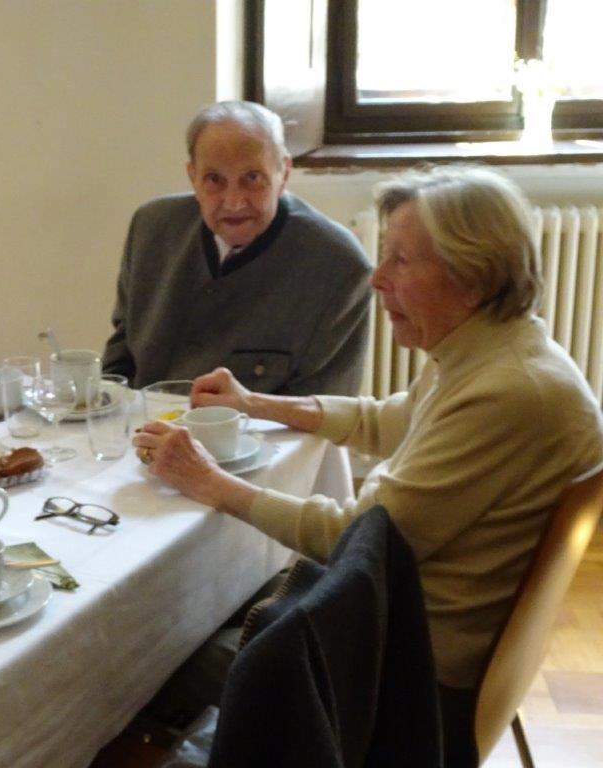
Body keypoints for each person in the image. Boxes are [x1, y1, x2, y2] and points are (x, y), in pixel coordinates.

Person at [133, 165, 603, 764]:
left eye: (400, 260)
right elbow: (386, 420)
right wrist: (254, 403)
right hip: (404, 627)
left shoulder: (509, 392)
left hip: (410, 683)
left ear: (472, 277)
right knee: (213, 608)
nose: (378, 278)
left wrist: (208, 482)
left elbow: (353, 539)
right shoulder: (492, 348)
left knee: (154, 664)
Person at [102, 100, 372, 395]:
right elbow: (120, 360)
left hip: (261, 426)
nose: (233, 202)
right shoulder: (152, 228)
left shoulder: (338, 266)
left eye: (252, 178)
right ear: (193, 177)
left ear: (283, 174)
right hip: (146, 421)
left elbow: (322, 410)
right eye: (214, 179)